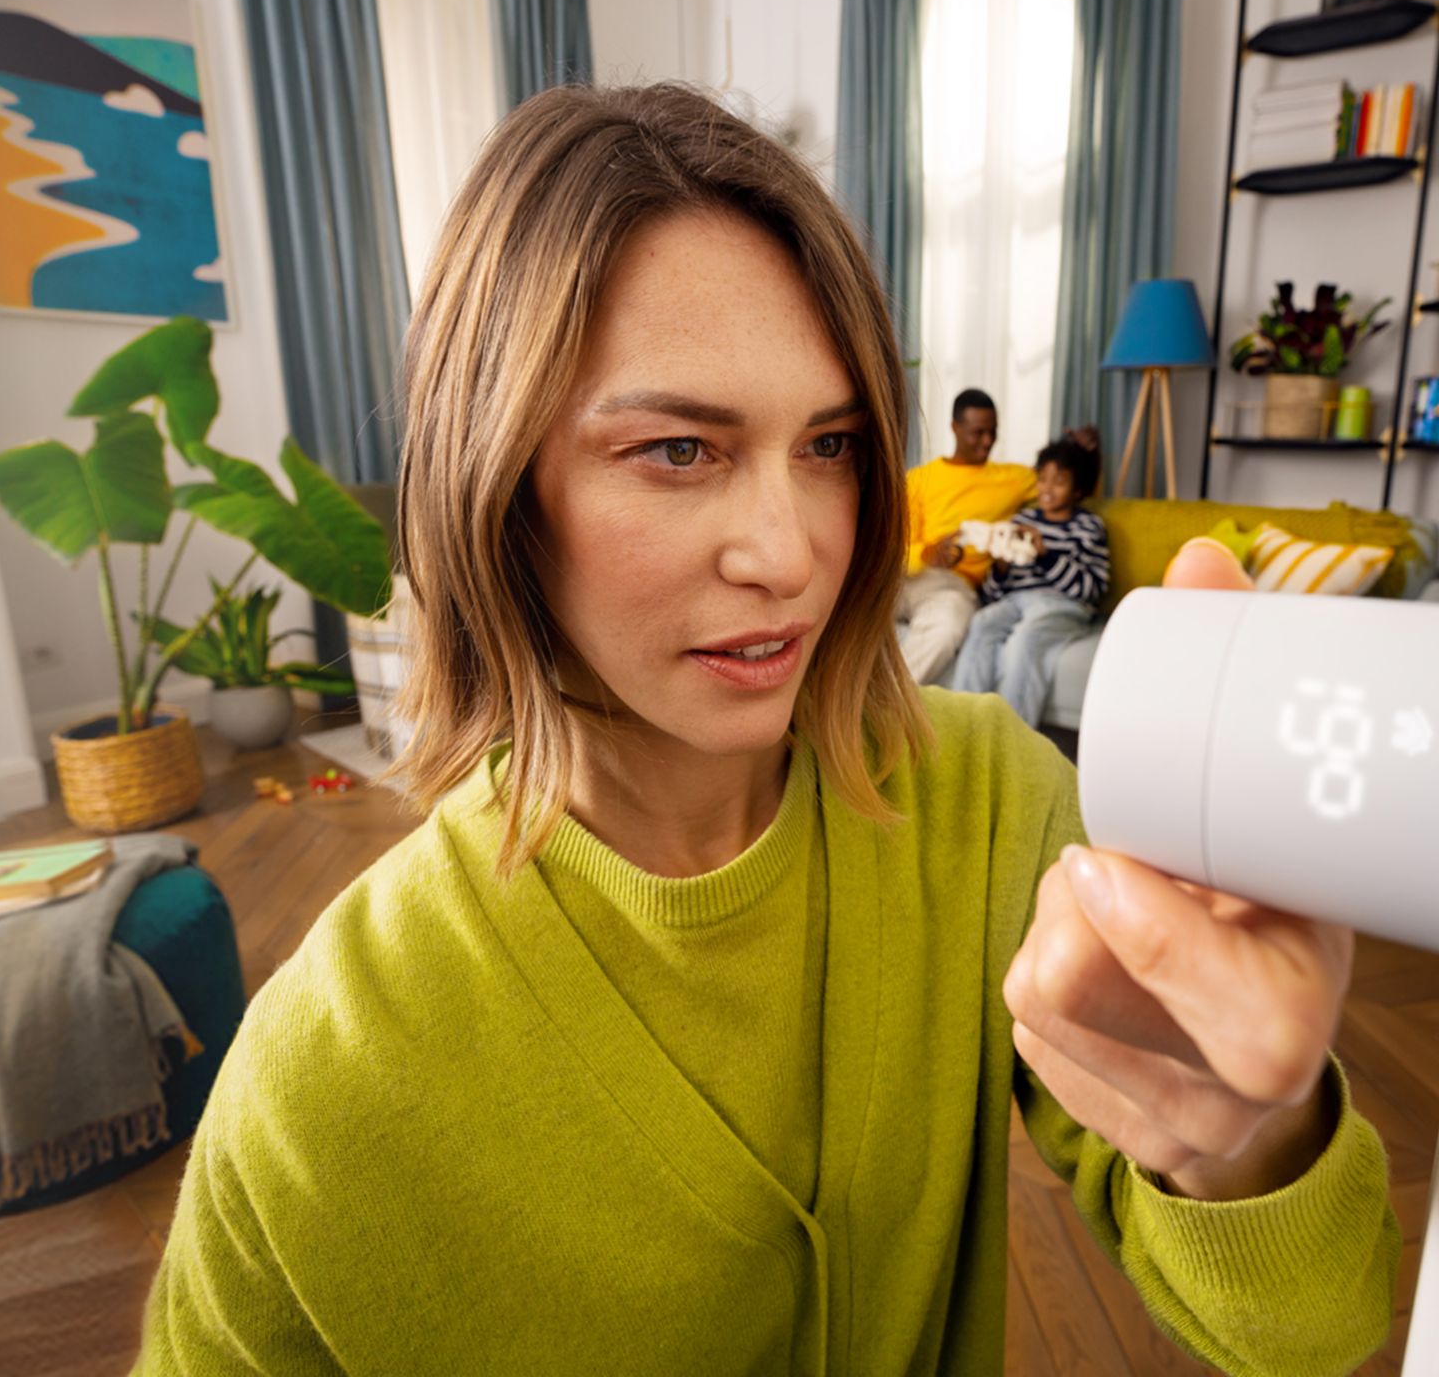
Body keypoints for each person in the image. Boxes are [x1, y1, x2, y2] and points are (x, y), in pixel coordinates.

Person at [132, 84, 1397, 1376]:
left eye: (832, 444)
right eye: (680, 450)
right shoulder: (319, 1084)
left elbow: (1313, 1331)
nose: (792, 554)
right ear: (500, 486)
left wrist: (1248, 1146)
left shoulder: (992, 810)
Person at [954, 429, 1109, 726]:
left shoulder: (1088, 526)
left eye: (1060, 482)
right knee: (982, 623)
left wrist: (1045, 554)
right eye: (1043, 479)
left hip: (1061, 605)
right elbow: (994, 594)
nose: (1047, 489)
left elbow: (1092, 590)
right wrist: (1000, 568)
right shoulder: (1021, 521)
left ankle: (1011, 737)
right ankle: (962, 724)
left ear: (1078, 490)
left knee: (1025, 639)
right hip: (1016, 600)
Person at [895, 390, 1037, 683]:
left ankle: (882, 711)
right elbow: (892, 552)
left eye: (992, 432)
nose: (987, 442)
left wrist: (1083, 453)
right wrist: (926, 554)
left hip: (952, 587)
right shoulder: (921, 479)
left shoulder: (1015, 479)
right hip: (901, 578)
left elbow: (1065, 489)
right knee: (843, 605)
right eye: (977, 433)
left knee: (946, 627)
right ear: (955, 428)